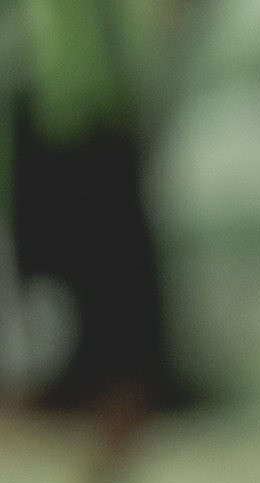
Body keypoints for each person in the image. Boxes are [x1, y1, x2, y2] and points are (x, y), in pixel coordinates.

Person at [8, 0, 182, 437]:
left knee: (104, 251)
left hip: (88, 98)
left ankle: (120, 388)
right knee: (48, 253)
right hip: (42, 94)